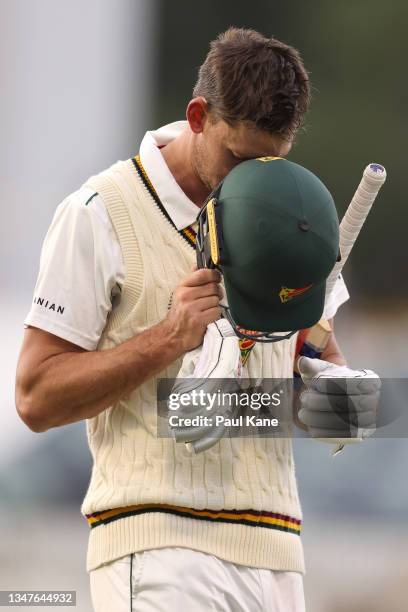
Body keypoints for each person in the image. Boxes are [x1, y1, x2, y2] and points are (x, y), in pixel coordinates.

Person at [15, 28, 350, 611]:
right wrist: (170, 338)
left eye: (271, 161)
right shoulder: (98, 214)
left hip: (277, 553)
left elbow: (314, 392)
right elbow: (36, 397)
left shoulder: (296, 213)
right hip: (158, 542)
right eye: (239, 159)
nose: (253, 180)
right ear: (198, 115)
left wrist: (336, 403)